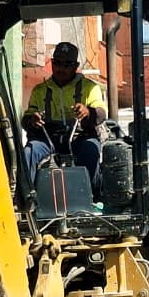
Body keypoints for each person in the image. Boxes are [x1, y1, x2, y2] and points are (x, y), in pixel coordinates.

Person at [21, 42, 107, 189]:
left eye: (67, 64)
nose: (61, 68)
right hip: (48, 140)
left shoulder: (89, 88)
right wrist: (32, 120)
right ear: (52, 63)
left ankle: (92, 196)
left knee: (91, 149)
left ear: (75, 66)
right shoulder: (40, 90)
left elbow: (101, 113)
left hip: (79, 137)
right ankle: (28, 198)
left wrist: (87, 112)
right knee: (30, 151)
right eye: (58, 63)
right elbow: (26, 119)